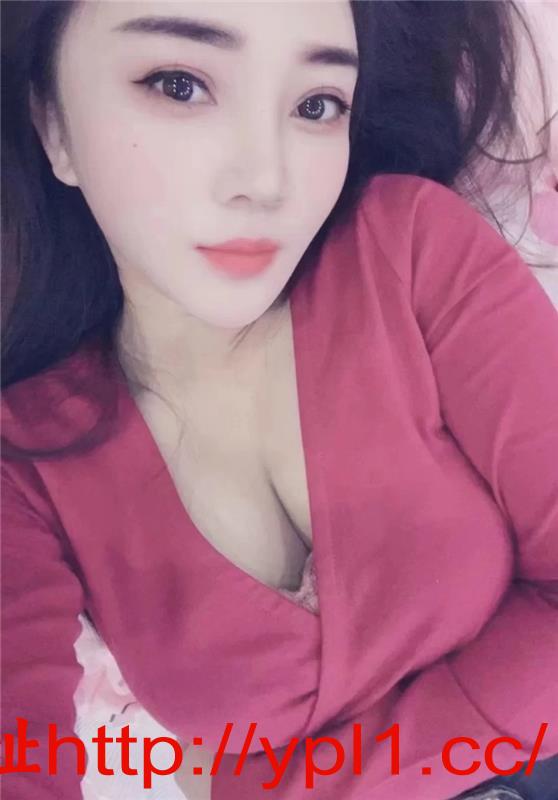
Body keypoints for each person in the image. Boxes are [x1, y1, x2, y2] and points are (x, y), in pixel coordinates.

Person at [1, 2, 557, 799]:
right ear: (54, 124)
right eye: (179, 84)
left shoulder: (406, 250)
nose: (267, 181)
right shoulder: (24, 465)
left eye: (316, 104)